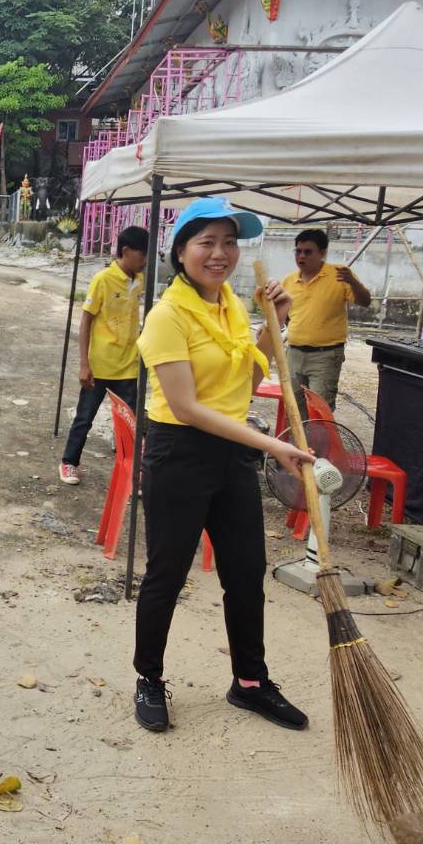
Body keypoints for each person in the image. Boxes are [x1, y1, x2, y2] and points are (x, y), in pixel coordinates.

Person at [132, 197, 315, 734]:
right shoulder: (166, 315)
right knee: (166, 575)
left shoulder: (232, 304)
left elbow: (253, 366)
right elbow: (187, 406)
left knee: (244, 575)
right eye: (206, 242)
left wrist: (273, 321)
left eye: (229, 242)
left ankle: (250, 682)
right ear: (181, 251)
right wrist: (269, 445)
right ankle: (148, 678)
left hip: (232, 453)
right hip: (179, 452)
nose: (220, 253)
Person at [59, 225, 149, 485]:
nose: (145, 261)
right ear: (126, 251)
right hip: (100, 366)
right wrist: (84, 364)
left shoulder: (139, 280)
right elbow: (86, 320)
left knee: (131, 423)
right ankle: (69, 462)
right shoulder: (103, 280)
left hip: (129, 365)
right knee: (85, 418)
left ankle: (134, 473)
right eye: (142, 255)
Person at [281, 229, 370, 412]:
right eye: (298, 251)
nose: (301, 256)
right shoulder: (289, 281)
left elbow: (365, 302)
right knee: (295, 409)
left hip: (325, 356)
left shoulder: (340, 275)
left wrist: (353, 282)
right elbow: (286, 314)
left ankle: (317, 442)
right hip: (294, 354)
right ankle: (298, 442)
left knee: (319, 411)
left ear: (322, 253)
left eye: (308, 251)